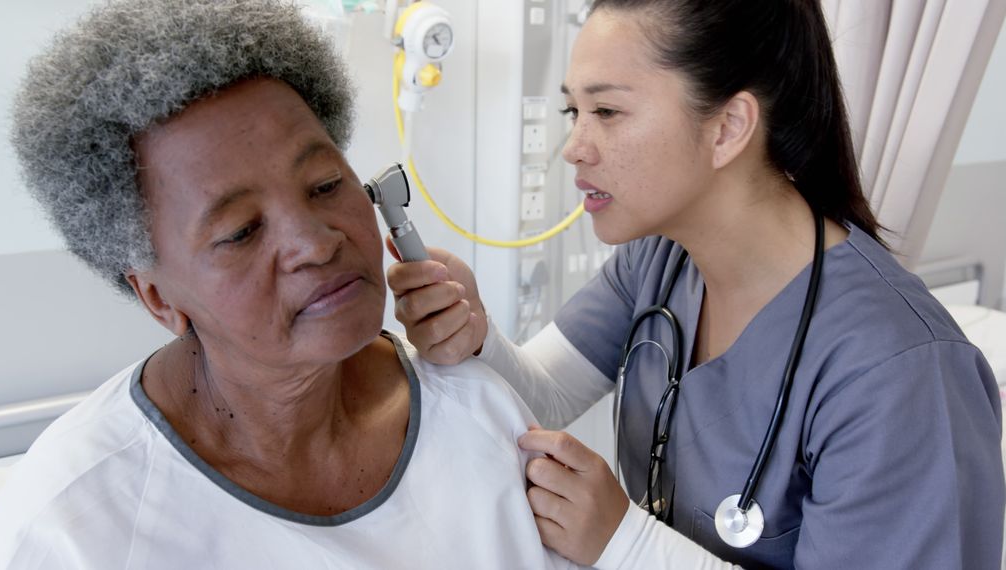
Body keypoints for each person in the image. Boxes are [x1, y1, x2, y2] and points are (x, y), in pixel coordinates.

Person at [387, 0, 1005, 568]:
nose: (573, 147)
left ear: (729, 126)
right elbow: (541, 396)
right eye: (573, 111)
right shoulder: (659, 262)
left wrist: (623, 541)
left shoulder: (902, 373)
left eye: (606, 111)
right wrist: (474, 333)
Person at [0, 1, 580, 568]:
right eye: (241, 231)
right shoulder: (77, 523)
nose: (316, 243)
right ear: (159, 298)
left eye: (324, 185)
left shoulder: (477, 411)